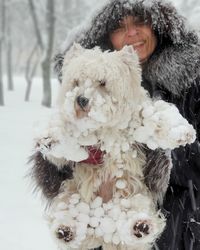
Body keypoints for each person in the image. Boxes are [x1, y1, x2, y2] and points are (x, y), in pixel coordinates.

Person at [31, 0, 200, 249]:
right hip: (102, 226)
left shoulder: (191, 84)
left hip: (180, 226)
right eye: (119, 26)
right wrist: (69, 155)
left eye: (140, 22)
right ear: (106, 35)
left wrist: (151, 150)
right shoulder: (85, 80)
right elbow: (58, 169)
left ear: (158, 27)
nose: (131, 33)